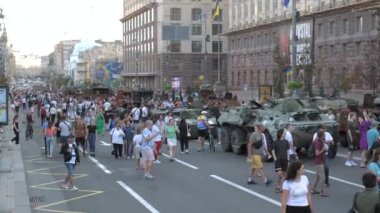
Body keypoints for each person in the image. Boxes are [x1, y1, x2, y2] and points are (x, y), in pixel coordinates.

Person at [311, 130, 329, 197]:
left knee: (317, 177)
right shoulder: (317, 143)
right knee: (322, 178)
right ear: (321, 136)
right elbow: (317, 153)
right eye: (324, 135)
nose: (324, 136)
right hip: (319, 162)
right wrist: (323, 150)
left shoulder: (319, 141)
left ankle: (313, 189)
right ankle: (322, 191)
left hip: (319, 161)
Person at [272, 129, 289, 193]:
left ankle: (278, 186)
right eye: (284, 133)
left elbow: (287, 150)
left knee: (283, 174)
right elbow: (273, 151)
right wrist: (275, 158)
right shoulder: (275, 142)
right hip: (278, 160)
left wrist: (288, 158)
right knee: (280, 173)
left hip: (285, 160)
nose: (285, 134)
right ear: (281, 134)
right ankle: (281, 187)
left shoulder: (286, 142)